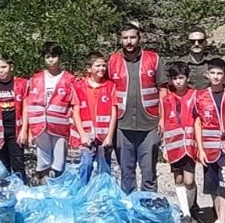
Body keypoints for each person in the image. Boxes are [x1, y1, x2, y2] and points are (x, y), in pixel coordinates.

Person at [108, 22, 168, 194]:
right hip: (122, 125)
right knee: (126, 173)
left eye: (132, 37)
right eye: (125, 38)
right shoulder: (112, 61)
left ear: (140, 39)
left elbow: (163, 91)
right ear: (120, 40)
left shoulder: (154, 59)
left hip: (150, 124)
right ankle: (129, 210)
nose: (129, 42)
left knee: (149, 172)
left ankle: (148, 209)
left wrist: (163, 119)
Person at [194, 58, 225, 223]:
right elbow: (197, 124)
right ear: (207, 74)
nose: (216, 76)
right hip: (209, 147)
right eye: (212, 73)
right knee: (213, 185)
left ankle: (223, 220)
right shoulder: (200, 96)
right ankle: (218, 219)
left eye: (219, 73)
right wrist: (200, 148)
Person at [21, 43, 76, 182]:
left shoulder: (69, 79)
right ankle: (44, 189)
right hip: (40, 126)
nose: (51, 60)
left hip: (60, 127)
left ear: (60, 58)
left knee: (59, 161)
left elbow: (75, 105)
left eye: (54, 56)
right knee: (43, 159)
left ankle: (59, 189)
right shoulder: (35, 79)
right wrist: (26, 130)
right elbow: (28, 104)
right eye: (47, 57)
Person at [160, 62, 199, 223]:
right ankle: (186, 213)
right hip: (173, 146)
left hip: (190, 145)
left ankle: (191, 208)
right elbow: (164, 123)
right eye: (175, 78)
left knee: (190, 180)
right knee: (179, 178)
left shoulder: (195, 96)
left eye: (181, 78)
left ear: (187, 78)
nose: (178, 82)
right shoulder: (167, 99)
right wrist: (164, 147)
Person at [72, 52, 118, 180]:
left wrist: (109, 136)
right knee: (86, 164)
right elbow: (75, 112)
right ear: (89, 69)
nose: (101, 69)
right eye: (97, 66)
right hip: (87, 137)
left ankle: (103, 195)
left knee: (104, 168)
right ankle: (82, 193)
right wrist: (82, 135)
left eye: (104, 65)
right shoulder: (79, 86)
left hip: (103, 137)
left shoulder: (110, 86)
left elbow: (114, 112)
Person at [0, 55, 28, 182]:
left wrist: (24, 130)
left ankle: (22, 190)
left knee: (18, 164)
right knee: (2, 166)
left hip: (15, 131)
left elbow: (26, 108)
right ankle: (5, 192)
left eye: (4, 67)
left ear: (11, 67)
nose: (1, 70)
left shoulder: (21, 84)